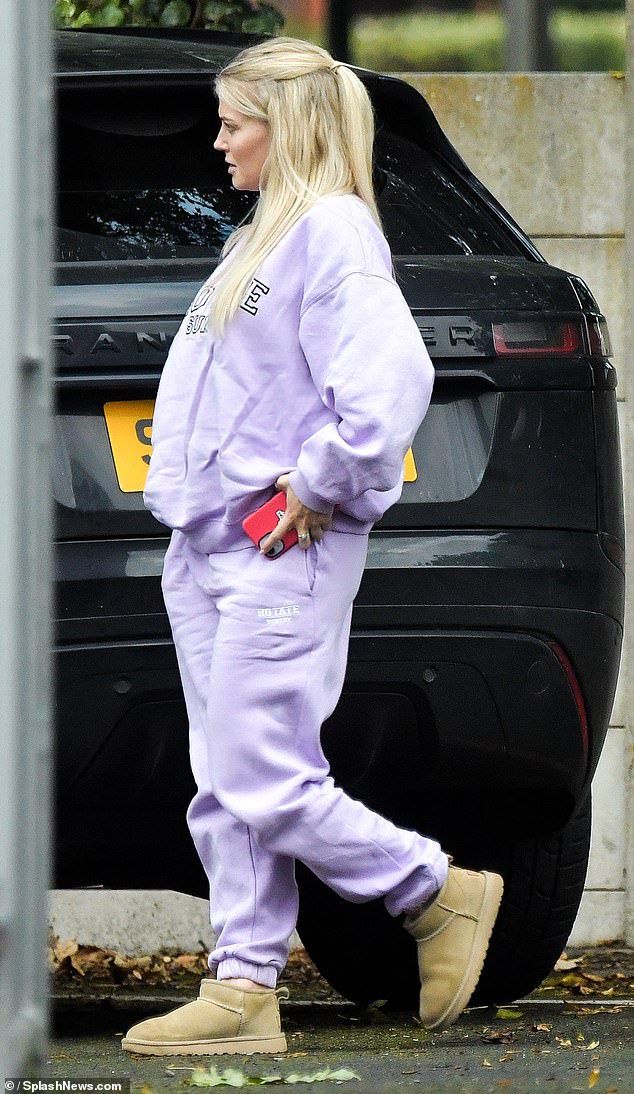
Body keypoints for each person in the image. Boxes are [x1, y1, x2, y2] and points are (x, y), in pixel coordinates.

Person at [122, 36, 503, 1058]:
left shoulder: (331, 230)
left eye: (233, 122)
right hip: (211, 543)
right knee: (227, 775)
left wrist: (318, 478)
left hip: (275, 541)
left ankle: (433, 890)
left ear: (284, 128)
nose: (218, 141)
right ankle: (243, 985)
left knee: (260, 769)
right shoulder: (268, 235)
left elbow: (386, 386)